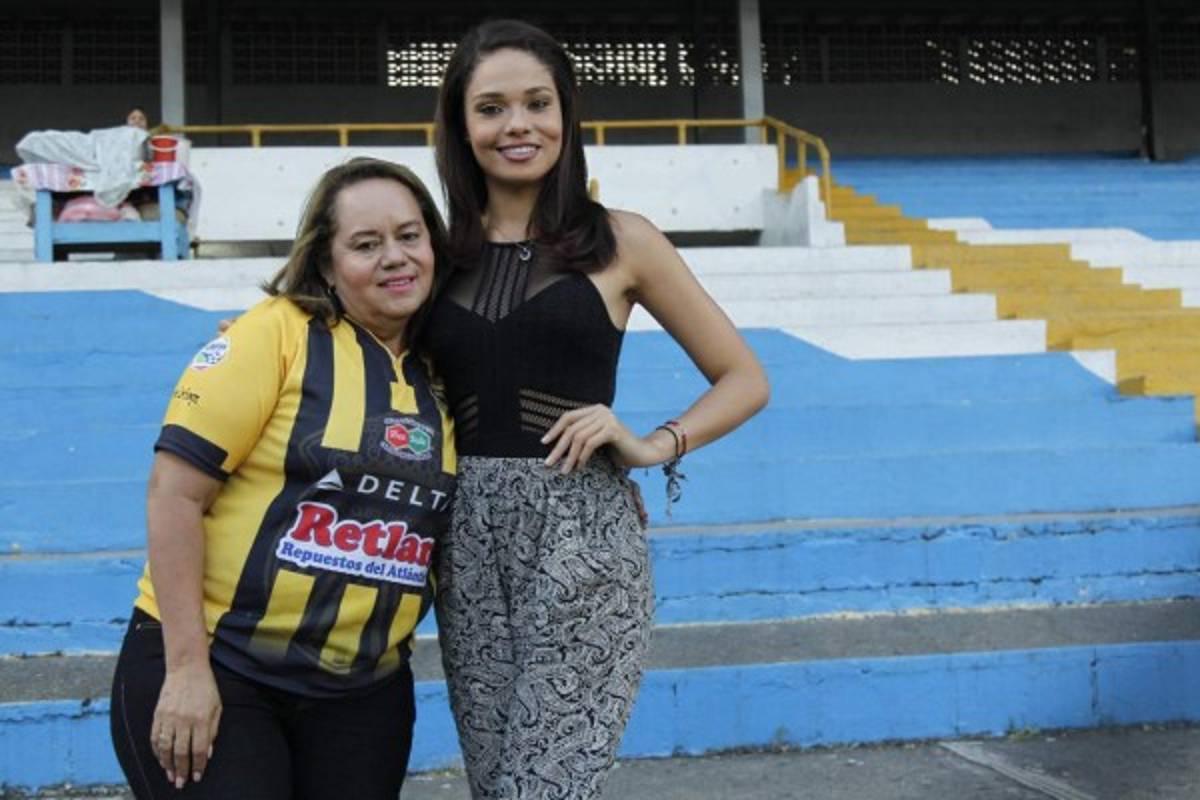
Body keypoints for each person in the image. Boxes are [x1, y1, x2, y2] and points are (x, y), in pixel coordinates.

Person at [426, 19, 770, 800]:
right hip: (464, 545)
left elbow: (744, 377)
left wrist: (652, 444)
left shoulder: (624, 240)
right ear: (460, 125)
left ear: (566, 112)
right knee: (496, 782)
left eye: (537, 103)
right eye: (491, 108)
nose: (517, 125)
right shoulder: (436, 253)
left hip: (582, 539)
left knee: (545, 786)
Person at [109, 157, 456, 799]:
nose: (395, 257)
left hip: (363, 693)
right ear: (326, 263)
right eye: (366, 244)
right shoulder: (273, 336)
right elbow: (174, 494)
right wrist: (187, 670)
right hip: (223, 665)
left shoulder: (448, 367)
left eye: (410, 236)